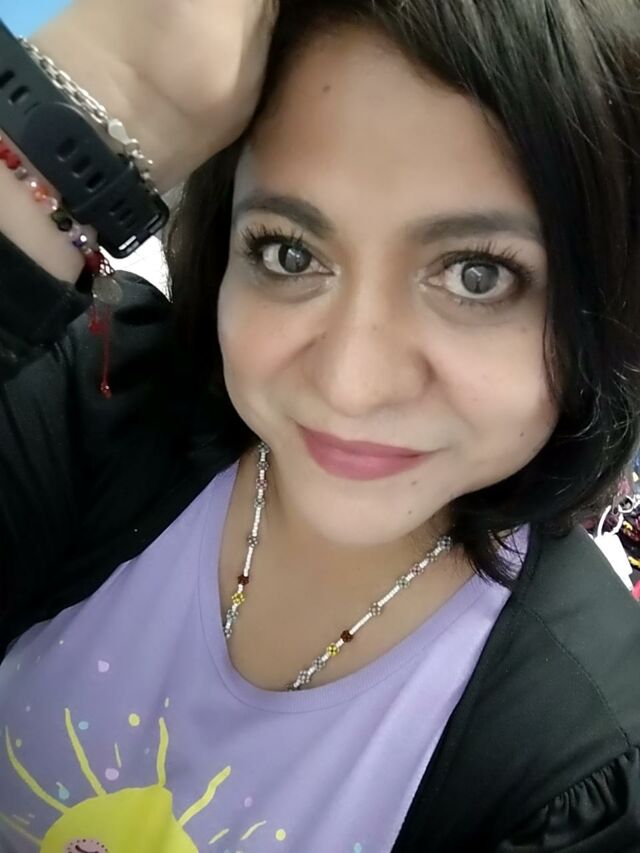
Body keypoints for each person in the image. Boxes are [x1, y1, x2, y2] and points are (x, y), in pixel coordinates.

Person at [1, 0, 640, 849]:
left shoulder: (573, 751)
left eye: (477, 275)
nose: (351, 384)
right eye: (290, 253)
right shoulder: (93, 407)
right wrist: (114, 94)